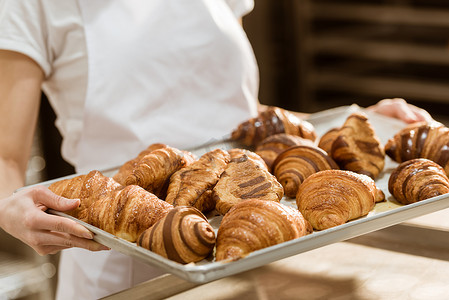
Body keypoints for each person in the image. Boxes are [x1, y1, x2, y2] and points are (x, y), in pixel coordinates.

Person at [0, 0, 434, 299]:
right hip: (121, 258)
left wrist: (353, 128)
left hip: (253, 237)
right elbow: (5, 156)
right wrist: (8, 208)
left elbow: (233, 115)